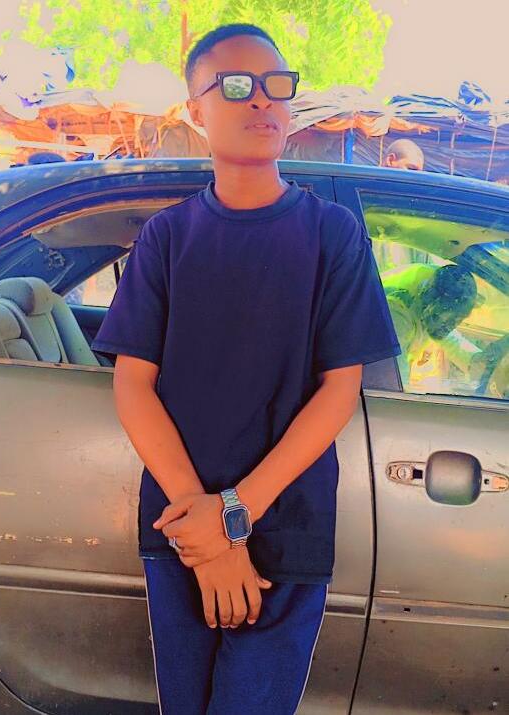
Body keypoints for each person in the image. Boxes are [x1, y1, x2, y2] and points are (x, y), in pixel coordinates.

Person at [90, 23, 401, 715]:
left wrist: (234, 515)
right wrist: (208, 536)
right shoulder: (167, 238)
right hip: (180, 530)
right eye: (234, 85)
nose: (261, 99)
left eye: (275, 84)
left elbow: (339, 388)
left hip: (285, 528)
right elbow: (133, 383)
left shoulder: (332, 234)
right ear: (196, 110)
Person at [382, 263, 481, 389]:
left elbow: (446, 336)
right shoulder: (398, 316)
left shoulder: (432, 304)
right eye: (452, 319)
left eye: (458, 320)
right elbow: (393, 382)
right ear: (433, 305)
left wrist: (476, 360)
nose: (452, 326)